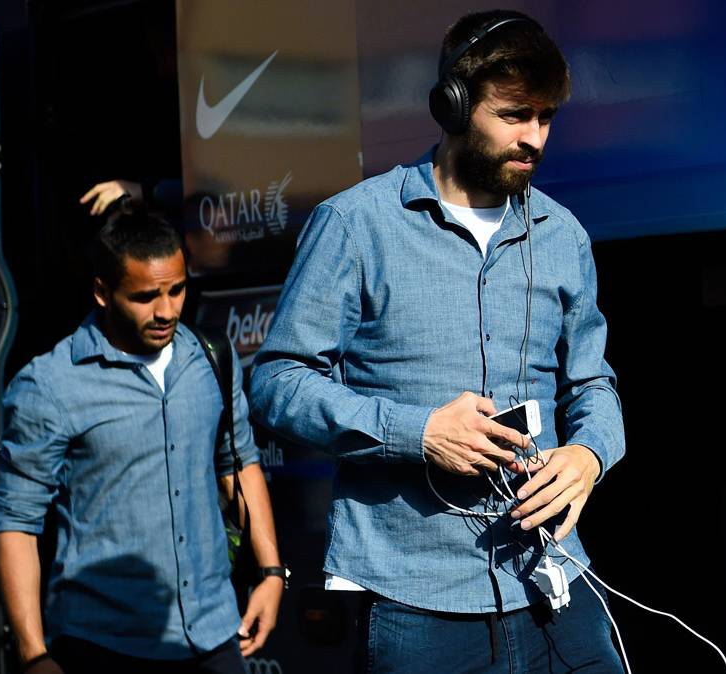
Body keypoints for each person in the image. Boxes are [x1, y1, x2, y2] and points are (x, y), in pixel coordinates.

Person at [250, 9, 625, 672]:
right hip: (413, 600)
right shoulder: (356, 225)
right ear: (452, 105)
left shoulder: (563, 237)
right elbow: (277, 384)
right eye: (514, 115)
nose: (534, 138)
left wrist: (589, 456)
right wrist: (416, 431)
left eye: (546, 118)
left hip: (555, 587)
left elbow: (593, 382)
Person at [0, 210, 286, 674]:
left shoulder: (208, 356)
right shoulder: (50, 385)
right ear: (102, 293)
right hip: (105, 644)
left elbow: (239, 463)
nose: (167, 310)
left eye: (177, 290)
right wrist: (34, 655)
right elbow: (16, 522)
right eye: (146, 296)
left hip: (213, 633)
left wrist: (270, 572)